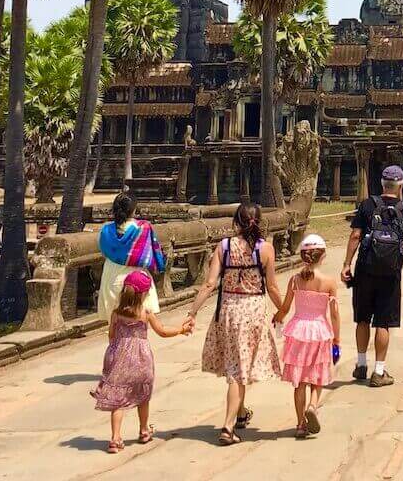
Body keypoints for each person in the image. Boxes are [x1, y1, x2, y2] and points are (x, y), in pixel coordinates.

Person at [185, 202, 285, 446]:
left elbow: (209, 284)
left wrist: (192, 312)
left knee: (236, 364)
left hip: (229, 312)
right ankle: (228, 427)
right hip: (252, 311)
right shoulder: (266, 249)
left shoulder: (224, 246)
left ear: (236, 222)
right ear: (259, 222)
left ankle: (240, 413)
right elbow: (271, 287)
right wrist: (283, 310)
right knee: (239, 372)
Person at [341, 165, 403, 387]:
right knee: (383, 322)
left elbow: (355, 236)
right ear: (401, 185)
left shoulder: (367, 205)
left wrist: (346, 264)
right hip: (390, 273)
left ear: (382, 184)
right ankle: (379, 372)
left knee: (362, 318)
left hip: (365, 269)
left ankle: (361, 365)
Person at [92, 270, 193, 453]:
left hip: (119, 358)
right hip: (141, 359)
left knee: (118, 401)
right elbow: (162, 331)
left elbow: (111, 336)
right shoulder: (145, 313)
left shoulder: (116, 314)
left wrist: (115, 352)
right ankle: (144, 430)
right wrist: (180, 330)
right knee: (143, 396)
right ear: (144, 294)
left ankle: (115, 439)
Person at [275, 234, 340, 439]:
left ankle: (300, 424)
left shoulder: (295, 280)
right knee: (317, 375)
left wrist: (277, 318)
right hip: (320, 331)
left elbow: (285, 307)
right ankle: (313, 405)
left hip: (298, 331)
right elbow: (335, 314)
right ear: (323, 256)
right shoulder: (329, 282)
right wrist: (336, 340)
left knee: (300, 381)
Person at [97, 193, 163, 321]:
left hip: (112, 274)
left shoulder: (106, 230)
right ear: (133, 209)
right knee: (140, 321)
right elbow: (153, 252)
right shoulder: (143, 228)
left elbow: (103, 251)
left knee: (114, 322)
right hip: (136, 277)